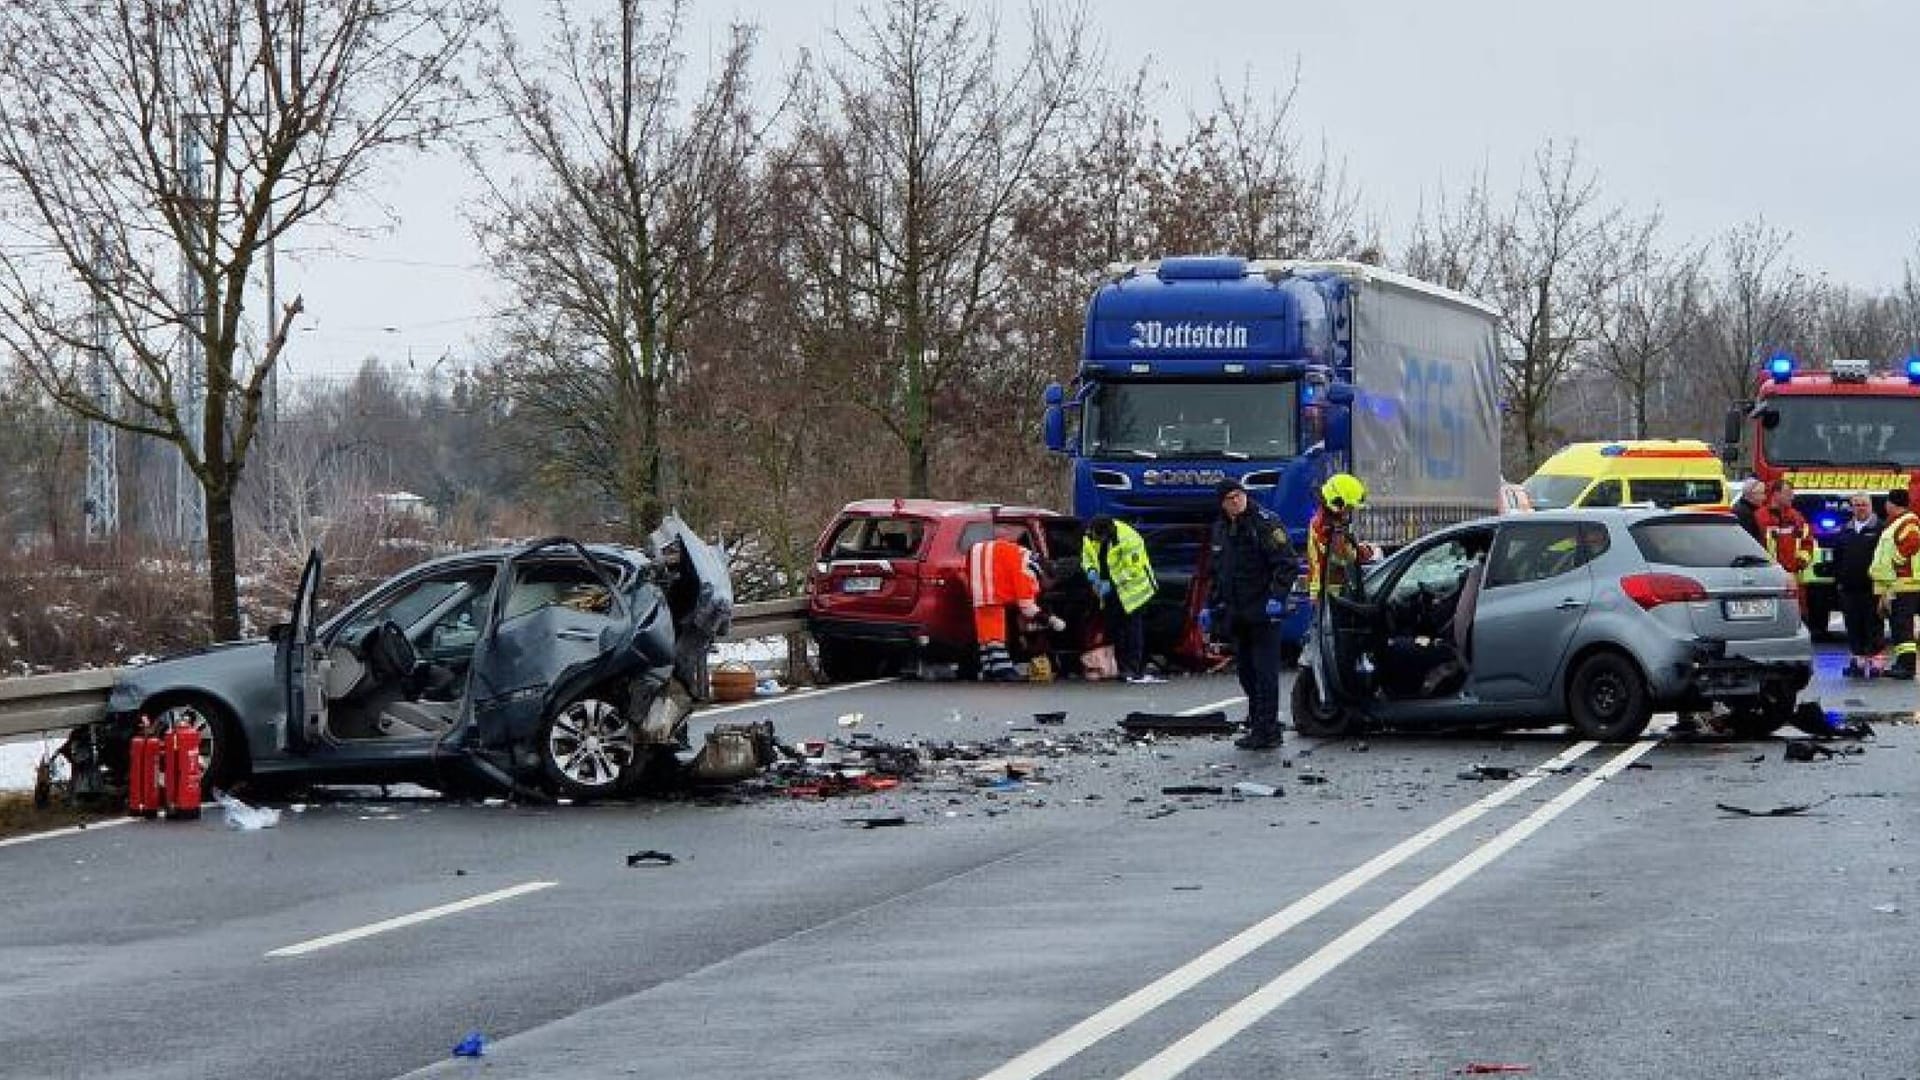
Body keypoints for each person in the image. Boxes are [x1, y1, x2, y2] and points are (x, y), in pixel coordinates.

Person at [1205, 478, 1302, 750]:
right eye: (1230, 499)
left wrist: (1277, 596)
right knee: (1246, 671)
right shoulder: (1221, 530)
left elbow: (1287, 564)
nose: (1236, 502)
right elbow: (1218, 573)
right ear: (1222, 504)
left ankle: (1267, 729)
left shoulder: (1264, 524)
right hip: (1238, 612)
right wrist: (1210, 605)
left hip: (1263, 611)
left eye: (1239, 496)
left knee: (1265, 672)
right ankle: (1258, 720)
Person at [1082, 515, 1161, 684]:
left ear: (1107, 534)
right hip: (1110, 591)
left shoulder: (1129, 539)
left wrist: (1110, 583)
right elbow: (1088, 556)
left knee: (1132, 629)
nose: (1097, 540)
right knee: (1116, 629)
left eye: (1100, 538)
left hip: (1135, 590)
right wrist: (1091, 572)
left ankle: (1133, 668)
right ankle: (1121, 666)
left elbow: (1133, 569)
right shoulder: (1091, 535)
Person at [966, 535, 1051, 681]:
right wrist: (1050, 619)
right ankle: (1003, 669)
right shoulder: (1029, 570)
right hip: (992, 585)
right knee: (995, 633)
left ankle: (989, 668)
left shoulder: (1023, 555)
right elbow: (1027, 606)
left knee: (985, 634)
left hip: (979, 577)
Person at [1830, 490, 1884, 678]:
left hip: (1872, 588)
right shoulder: (1845, 530)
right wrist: (1839, 580)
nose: (1860, 508)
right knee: (1853, 626)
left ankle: (1876, 663)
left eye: (1864, 504)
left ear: (1871, 506)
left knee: (1873, 625)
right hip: (1849, 589)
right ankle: (1858, 663)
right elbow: (1837, 558)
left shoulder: (1881, 530)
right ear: (1852, 507)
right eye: (1857, 505)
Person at [1869, 487, 1920, 680]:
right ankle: (1902, 663)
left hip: (1905, 583)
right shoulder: (1897, 522)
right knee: (1899, 626)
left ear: (1891, 504)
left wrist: (1896, 563)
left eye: (1887, 502)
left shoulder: (1908, 522)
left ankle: (1907, 667)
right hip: (1897, 583)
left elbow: (1913, 542)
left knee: (1902, 626)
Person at [1306, 472, 1377, 605]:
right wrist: (1368, 552)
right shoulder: (1330, 526)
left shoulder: (1321, 520)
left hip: (1325, 593)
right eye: (1349, 507)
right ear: (1338, 503)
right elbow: (1343, 556)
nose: (1349, 512)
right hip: (1332, 594)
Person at [1754, 479, 1815, 603]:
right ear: (1775, 494)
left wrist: (1800, 562)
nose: (1791, 497)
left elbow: (1807, 543)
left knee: (1796, 612)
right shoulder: (1760, 517)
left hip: (1793, 576)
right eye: (1787, 493)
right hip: (1768, 574)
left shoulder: (1797, 517)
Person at [1732, 477, 1765, 544]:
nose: (1764, 497)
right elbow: (1748, 540)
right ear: (1751, 494)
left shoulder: (1750, 509)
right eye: (1761, 493)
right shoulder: (1743, 512)